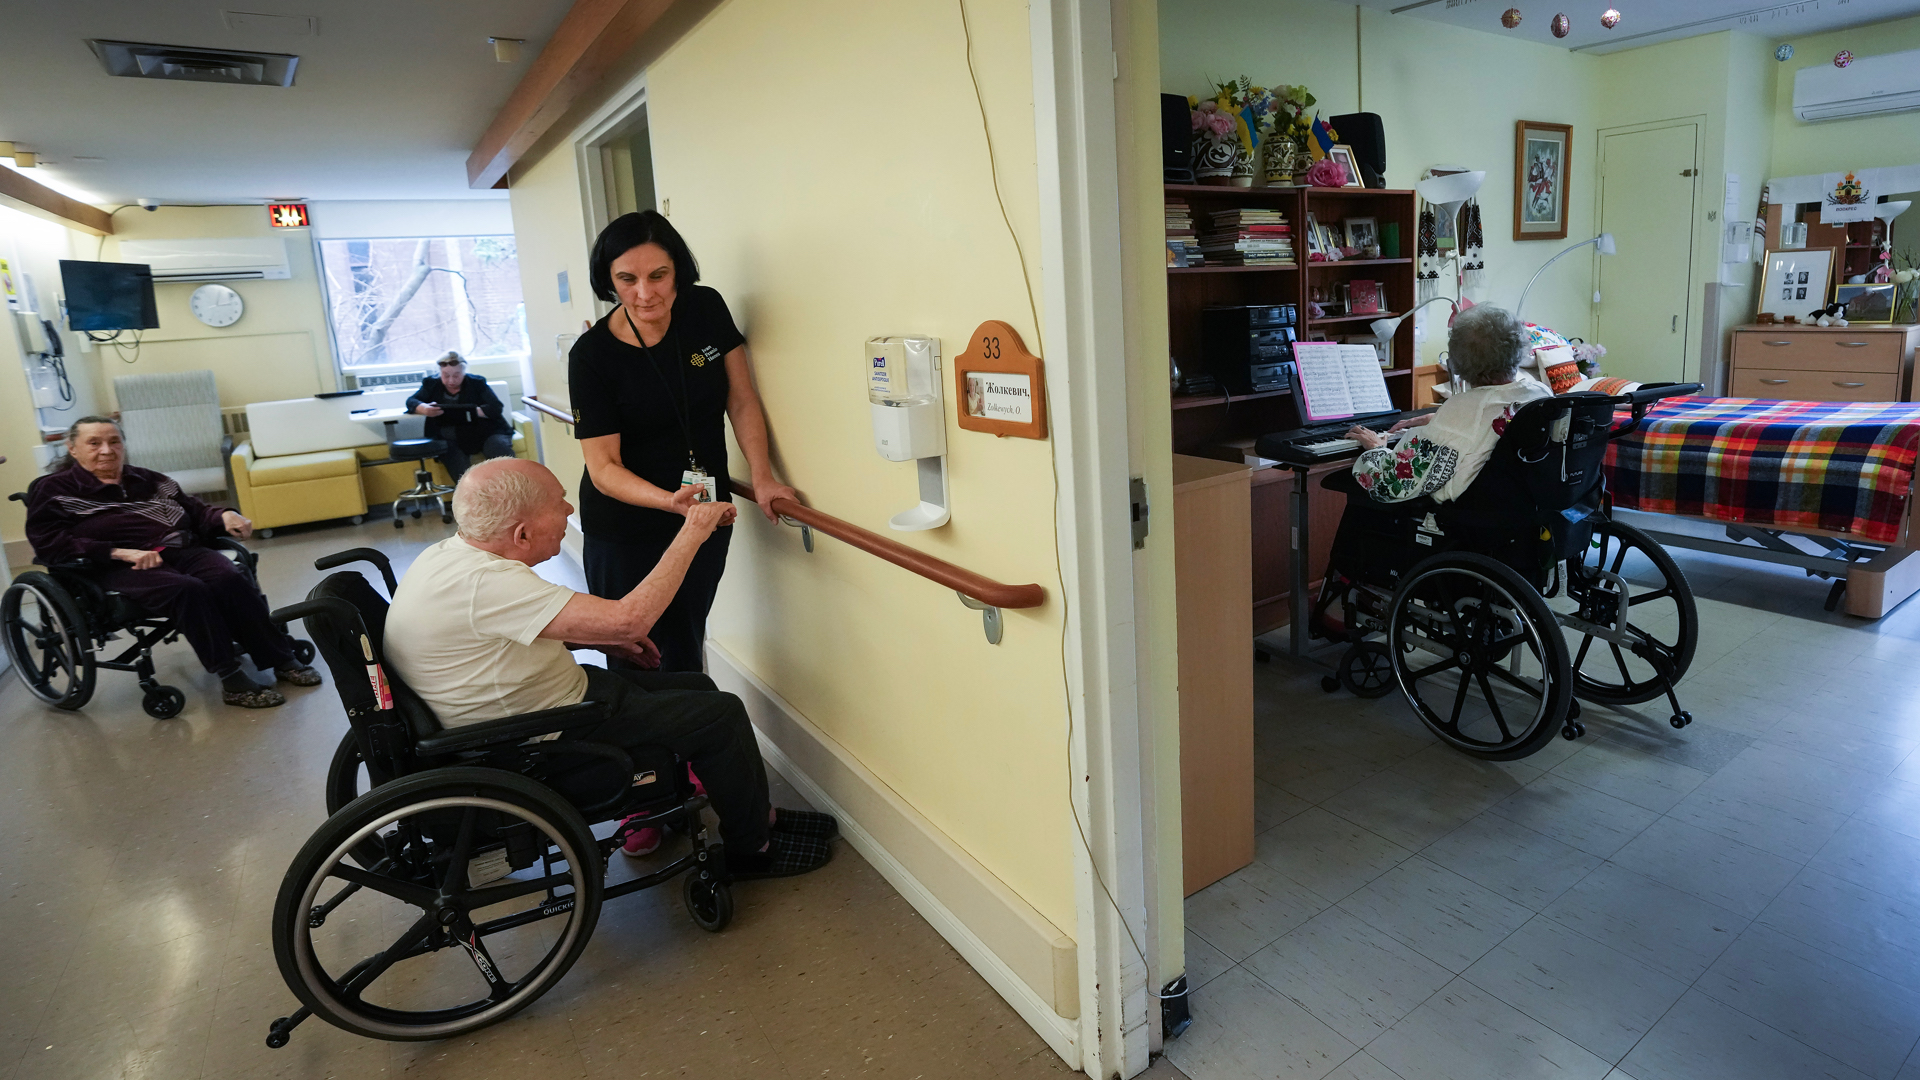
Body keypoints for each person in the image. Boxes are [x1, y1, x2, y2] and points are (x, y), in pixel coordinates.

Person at [381, 457, 835, 879]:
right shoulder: (488, 584)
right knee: (721, 715)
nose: (568, 507)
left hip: (536, 706)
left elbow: (500, 634)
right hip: (540, 736)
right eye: (557, 502)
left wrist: (599, 636)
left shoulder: (452, 556)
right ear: (521, 534)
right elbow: (630, 619)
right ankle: (751, 851)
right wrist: (692, 531)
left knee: (697, 685)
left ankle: (760, 816)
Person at [567, 211, 799, 672]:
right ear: (608, 281)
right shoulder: (592, 357)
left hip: (704, 512)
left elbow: (742, 398)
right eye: (627, 279)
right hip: (626, 526)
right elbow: (604, 468)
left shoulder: (705, 308)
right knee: (639, 650)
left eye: (658, 275)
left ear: (678, 271)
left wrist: (763, 477)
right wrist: (671, 502)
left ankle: (691, 736)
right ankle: (656, 741)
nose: (645, 293)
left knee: (686, 635)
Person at [24, 416, 322, 708]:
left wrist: (224, 515)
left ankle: (280, 657)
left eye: (114, 441)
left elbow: (194, 509)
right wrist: (117, 552)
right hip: (116, 565)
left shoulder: (148, 479)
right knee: (187, 589)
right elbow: (50, 543)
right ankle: (230, 677)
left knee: (229, 577)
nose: (106, 450)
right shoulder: (53, 489)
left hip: (179, 549)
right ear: (72, 448)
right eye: (94, 443)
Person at [1343, 304, 1552, 504]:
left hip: (1471, 518)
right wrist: (1440, 420)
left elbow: (1391, 485)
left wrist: (1376, 449)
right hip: (1525, 511)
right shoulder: (1540, 393)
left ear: (1458, 359)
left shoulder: (1463, 408)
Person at [406, 351, 516, 485]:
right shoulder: (431, 384)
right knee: (452, 455)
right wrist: (423, 408)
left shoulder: (477, 383)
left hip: (485, 432)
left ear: (464, 372)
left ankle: (513, 487)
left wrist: (471, 411)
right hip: (449, 437)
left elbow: (496, 408)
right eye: (445, 376)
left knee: (497, 447)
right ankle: (471, 497)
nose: (451, 381)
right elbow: (411, 401)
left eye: (456, 375)